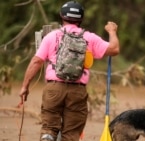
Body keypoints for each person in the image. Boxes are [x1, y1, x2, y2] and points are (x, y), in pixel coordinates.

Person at [18, 1, 120, 141]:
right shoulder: (89, 37)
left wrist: (25, 86)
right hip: (77, 91)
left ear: (61, 15)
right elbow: (114, 49)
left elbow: (36, 61)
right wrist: (112, 32)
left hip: (54, 88)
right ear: (81, 18)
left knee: (49, 127)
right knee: (71, 133)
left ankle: (48, 136)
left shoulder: (51, 36)